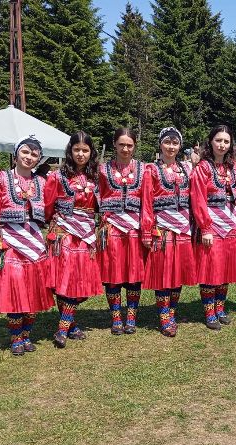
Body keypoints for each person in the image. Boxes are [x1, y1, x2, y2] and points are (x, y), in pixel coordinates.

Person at [0, 136, 54, 355]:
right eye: (25, 152)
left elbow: (52, 208)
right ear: (16, 154)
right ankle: (16, 338)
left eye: (34, 154)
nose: (29, 157)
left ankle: (27, 335)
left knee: (33, 291)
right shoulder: (1, 179)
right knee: (15, 292)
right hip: (10, 243)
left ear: (39, 159)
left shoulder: (42, 182)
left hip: (35, 243)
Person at [43, 131, 102, 349]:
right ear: (70, 151)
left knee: (79, 282)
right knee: (65, 281)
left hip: (87, 235)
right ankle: (64, 328)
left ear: (91, 152)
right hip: (64, 235)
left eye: (85, 150)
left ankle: (69, 323)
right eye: (77, 149)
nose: (81, 154)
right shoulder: (57, 177)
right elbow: (48, 205)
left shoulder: (97, 176)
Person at [141, 127, 198, 337]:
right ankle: (164, 316)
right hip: (162, 228)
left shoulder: (186, 168)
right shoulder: (151, 170)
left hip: (183, 228)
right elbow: (146, 201)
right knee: (164, 274)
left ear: (180, 145)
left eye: (175, 143)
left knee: (178, 273)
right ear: (160, 144)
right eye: (167, 142)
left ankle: (172, 311)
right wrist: (147, 230)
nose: (171, 147)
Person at [191, 125, 236, 330]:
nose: (222, 145)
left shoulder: (234, 168)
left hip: (231, 223)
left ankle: (220, 308)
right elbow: (198, 198)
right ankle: (209, 311)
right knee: (210, 269)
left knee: (225, 268)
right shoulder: (203, 168)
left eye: (226, 141)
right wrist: (205, 228)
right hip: (211, 223)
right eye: (218, 140)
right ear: (211, 142)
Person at [97, 127, 147, 335]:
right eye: (121, 145)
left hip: (135, 229)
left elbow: (147, 200)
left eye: (129, 145)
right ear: (114, 145)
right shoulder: (102, 170)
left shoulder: (144, 169)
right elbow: (97, 196)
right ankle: (116, 317)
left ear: (134, 146)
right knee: (113, 275)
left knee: (134, 275)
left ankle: (131, 317)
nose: (125, 149)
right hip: (112, 229)